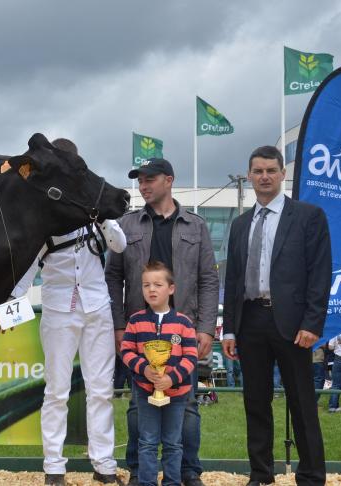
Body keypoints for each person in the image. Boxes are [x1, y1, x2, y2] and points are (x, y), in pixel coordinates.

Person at [3, 138, 127, 486]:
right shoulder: (47, 219)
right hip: (59, 310)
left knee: (101, 389)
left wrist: (101, 216)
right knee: (56, 391)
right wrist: (10, 309)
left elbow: (119, 245)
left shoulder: (94, 214)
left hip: (97, 308)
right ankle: (54, 467)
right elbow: (27, 270)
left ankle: (103, 464)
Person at [222, 145, 331, 486]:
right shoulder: (240, 225)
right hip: (250, 321)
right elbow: (234, 279)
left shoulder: (308, 216)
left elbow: (320, 272)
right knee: (255, 402)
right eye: (258, 171)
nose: (265, 176)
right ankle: (261, 473)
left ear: (283, 174)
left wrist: (313, 323)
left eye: (271, 170)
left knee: (302, 402)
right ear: (250, 175)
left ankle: (311, 475)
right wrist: (228, 331)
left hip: (294, 325)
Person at [105, 157, 218, 486]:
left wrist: (206, 328)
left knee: (188, 407)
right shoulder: (126, 225)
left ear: (169, 180)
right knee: (139, 407)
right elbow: (113, 277)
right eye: (140, 180)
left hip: (183, 335)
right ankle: (139, 472)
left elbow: (208, 280)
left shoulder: (196, 226)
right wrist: (118, 325)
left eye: (149, 179)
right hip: (138, 334)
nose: (143, 185)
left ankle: (188, 471)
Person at [121, 261, 198, 486]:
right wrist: (144, 368)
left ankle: (172, 482)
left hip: (177, 393)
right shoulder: (135, 321)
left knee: (173, 442)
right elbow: (126, 351)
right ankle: (147, 482)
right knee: (147, 441)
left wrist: (170, 378)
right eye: (146, 285)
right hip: (145, 391)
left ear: (171, 289)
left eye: (157, 284)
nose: (151, 290)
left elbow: (191, 356)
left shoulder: (184, 323)